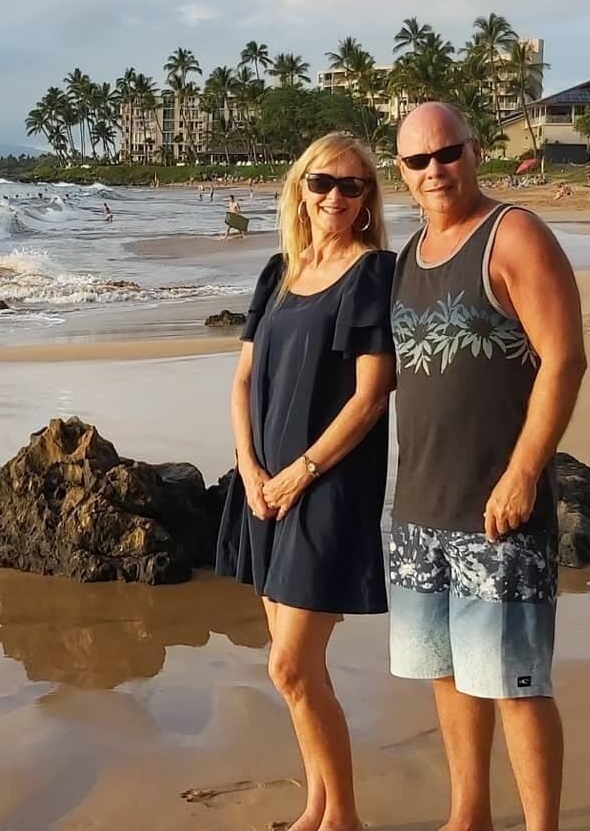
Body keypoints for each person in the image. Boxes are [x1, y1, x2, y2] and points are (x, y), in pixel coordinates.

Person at [389, 103, 586, 831]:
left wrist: (525, 471)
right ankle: (467, 815)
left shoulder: (515, 234)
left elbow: (564, 359)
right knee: (447, 672)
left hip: (498, 510)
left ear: (475, 152)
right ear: (401, 173)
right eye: (418, 161)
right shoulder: (409, 256)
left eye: (448, 153)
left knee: (516, 683)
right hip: (418, 508)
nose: (435, 170)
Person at [216, 133, 396, 831]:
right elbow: (240, 381)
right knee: (300, 673)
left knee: (291, 668)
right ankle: (317, 808)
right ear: (301, 187)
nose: (334, 198)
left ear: (366, 201)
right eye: (322, 183)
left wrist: (299, 474)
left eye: (352, 188)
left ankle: (344, 818)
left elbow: (371, 395)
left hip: (328, 491)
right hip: (263, 488)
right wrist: (253, 472)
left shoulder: (372, 273)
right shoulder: (278, 272)